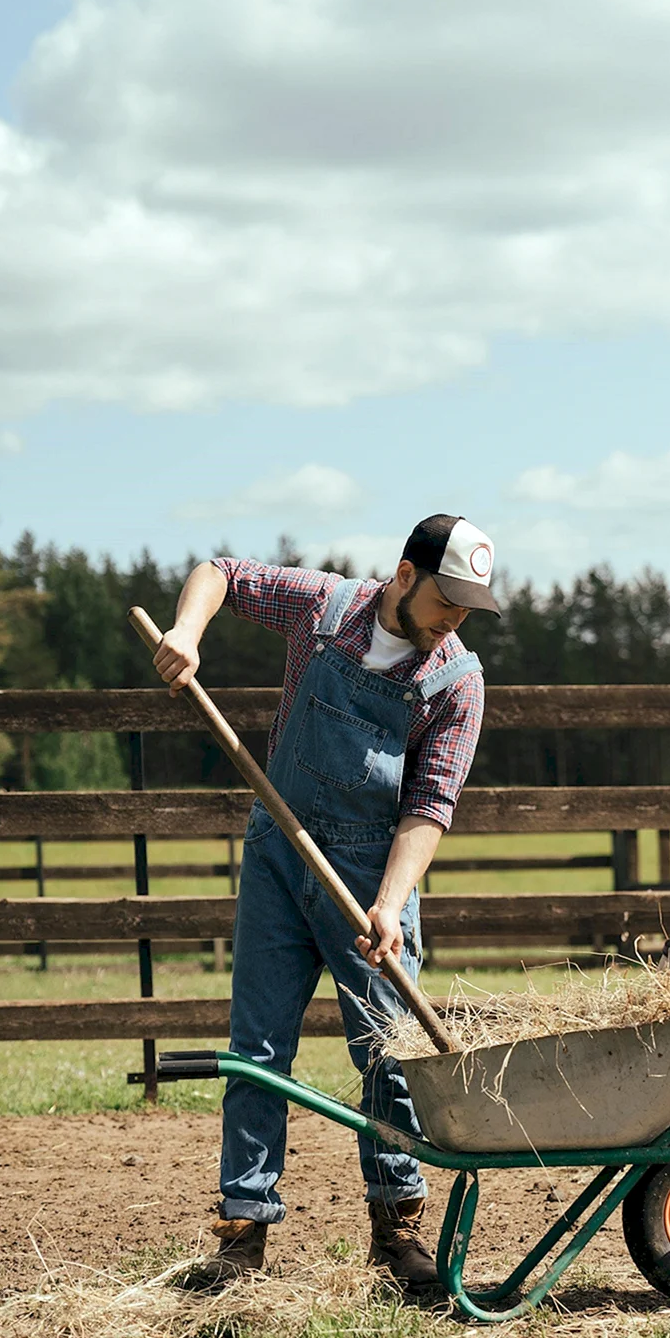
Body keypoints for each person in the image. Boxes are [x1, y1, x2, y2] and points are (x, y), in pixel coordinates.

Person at [153, 514, 499, 1290]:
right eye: (449, 599)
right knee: (257, 1050)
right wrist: (186, 632)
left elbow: (429, 807)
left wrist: (389, 906)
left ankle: (397, 1227)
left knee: (388, 1056)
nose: (455, 620)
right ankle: (242, 1230)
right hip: (279, 852)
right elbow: (223, 573)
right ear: (406, 576)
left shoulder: (456, 681)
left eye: (469, 608)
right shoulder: (323, 611)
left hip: (373, 879)